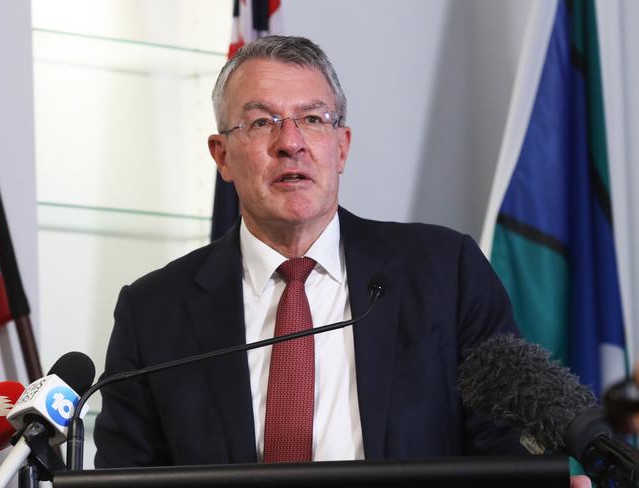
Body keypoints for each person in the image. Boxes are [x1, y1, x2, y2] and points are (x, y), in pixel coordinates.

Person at [93, 35, 588, 486]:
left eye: (312, 119)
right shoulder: (152, 311)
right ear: (222, 156)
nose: (290, 142)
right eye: (262, 121)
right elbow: (126, 476)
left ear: (341, 147)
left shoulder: (445, 272)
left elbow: (505, 448)